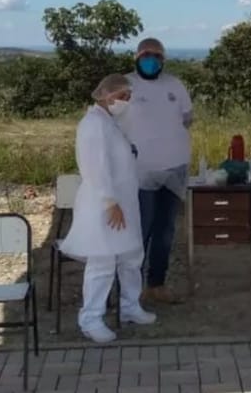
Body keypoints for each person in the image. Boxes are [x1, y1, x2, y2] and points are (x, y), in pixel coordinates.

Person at [58, 73, 158, 344]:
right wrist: (110, 202)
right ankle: (90, 319)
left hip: (124, 201)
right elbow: (94, 167)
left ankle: (130, 306)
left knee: (131, 256)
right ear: (106, 95)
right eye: (121, 96)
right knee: (102, 261)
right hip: (105, 204)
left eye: (128, 97)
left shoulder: (110, 122)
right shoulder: (92, 124)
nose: (125, 101)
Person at [118, 38, 193, 305]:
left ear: (163, 60)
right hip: (140, 172)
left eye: (157, 56)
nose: (151, 60)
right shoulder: (124, 85)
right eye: (146, 55)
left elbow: (188, 118)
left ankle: (157, 285)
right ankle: (130, 290)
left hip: (174, 169)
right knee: (141, 230)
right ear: (136, 57)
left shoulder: (174, 85)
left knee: (165, 231)